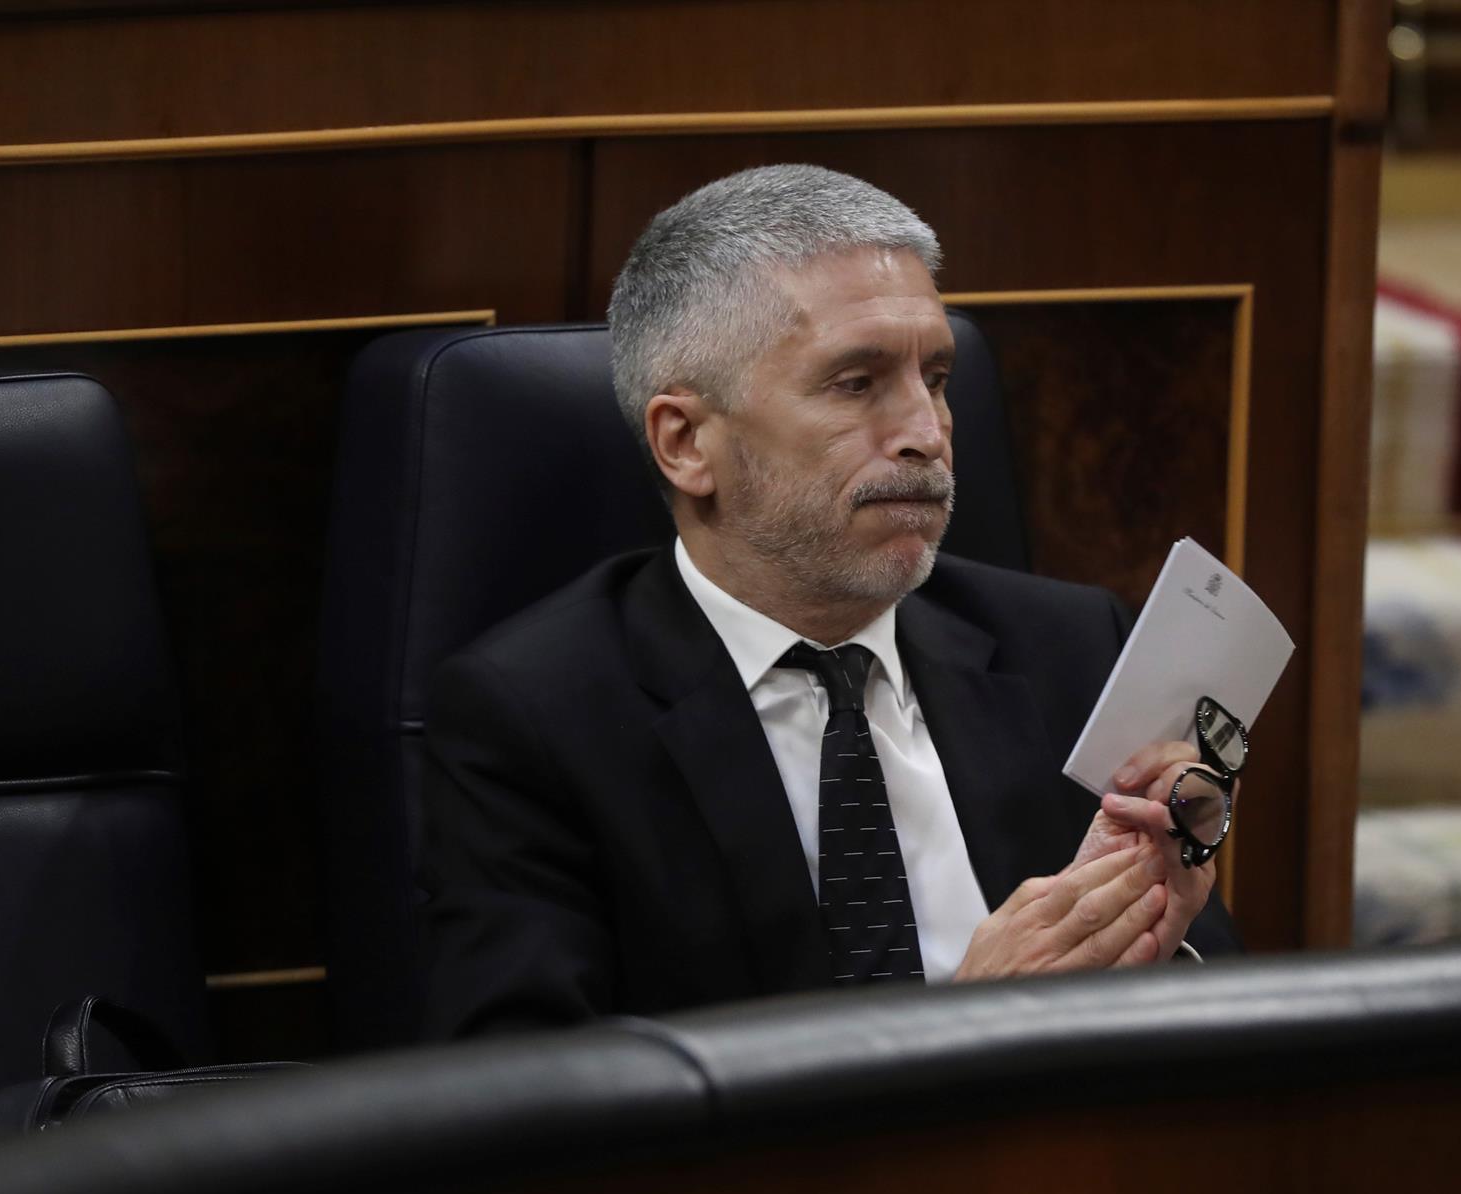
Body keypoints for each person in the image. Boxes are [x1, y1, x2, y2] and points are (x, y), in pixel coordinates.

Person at [419, 164, 1239, 1039]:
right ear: (686, 442)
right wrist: (964, 1032)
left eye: (937, 378)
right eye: (856, 383)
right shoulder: (536, 719)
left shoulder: (1068, 646)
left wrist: (1163, 935)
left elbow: (1221, 1017)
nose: (927, 433)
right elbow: (533, 1089)